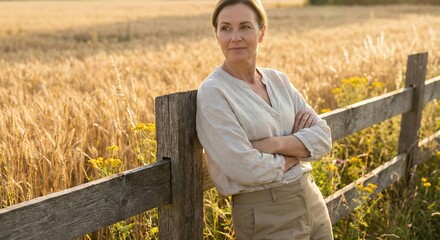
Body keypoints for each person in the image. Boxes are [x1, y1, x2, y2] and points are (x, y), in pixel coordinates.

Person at [196, 0, 333, 239]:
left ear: (262, 32)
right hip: (265, 213)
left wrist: (274, 145)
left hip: (311, 198)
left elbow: (323, 137)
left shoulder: (278, 80)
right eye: (226, 28)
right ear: (216, 34)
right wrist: (296, 151)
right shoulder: (214, 92)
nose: (235, 37)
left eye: (245, 27)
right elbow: (243, 168)